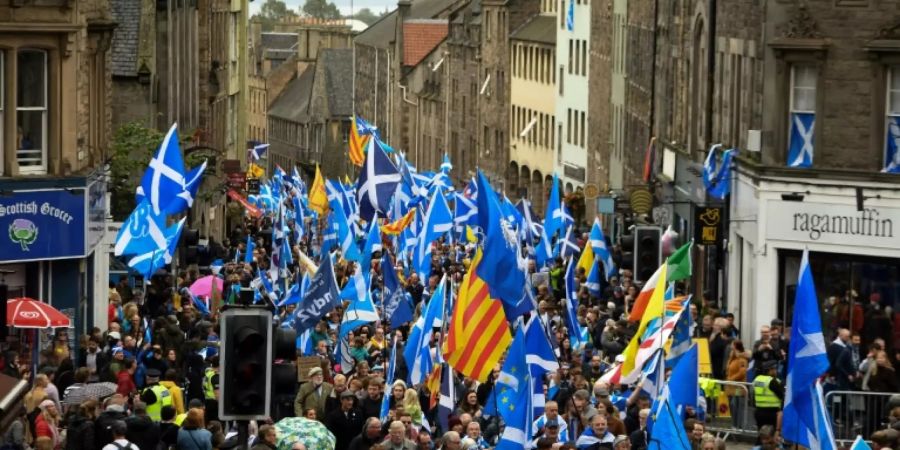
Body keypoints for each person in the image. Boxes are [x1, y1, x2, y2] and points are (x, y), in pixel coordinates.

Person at [751, 361, 783, 430]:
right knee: (771, 436)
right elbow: (781, 395)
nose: (776, 371)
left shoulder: (757, 379)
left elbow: (753, 394)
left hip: (758, 412)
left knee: (761, 435)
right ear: (770, 370)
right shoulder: (772, 381)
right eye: (774, 369)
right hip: (772, 414)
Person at [726, 340, 749, 428]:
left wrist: (731, 379)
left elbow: (742, 372)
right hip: (731, 386)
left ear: (735, 346)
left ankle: (738, 425)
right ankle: (734, 424)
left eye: (732, 344)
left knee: (736, 405)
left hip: (739, 386)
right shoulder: (732, 357)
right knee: (732, 405)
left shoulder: (742, 359)